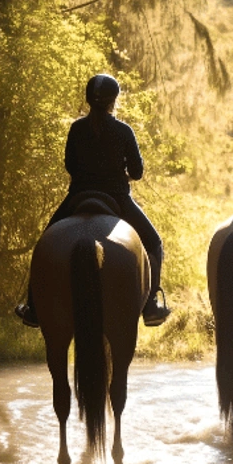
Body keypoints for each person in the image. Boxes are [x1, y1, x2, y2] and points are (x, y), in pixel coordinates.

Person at [15, 73, 171, 327]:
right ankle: (151, 305)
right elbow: (138, 172)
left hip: (78, 196)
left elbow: (70, 165)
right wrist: (121, 175)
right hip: (117, 199)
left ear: (89, 100)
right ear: (114, 101)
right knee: (154, 242)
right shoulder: (123, 131)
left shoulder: (77, 128)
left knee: (43, 244)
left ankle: (33, 308)